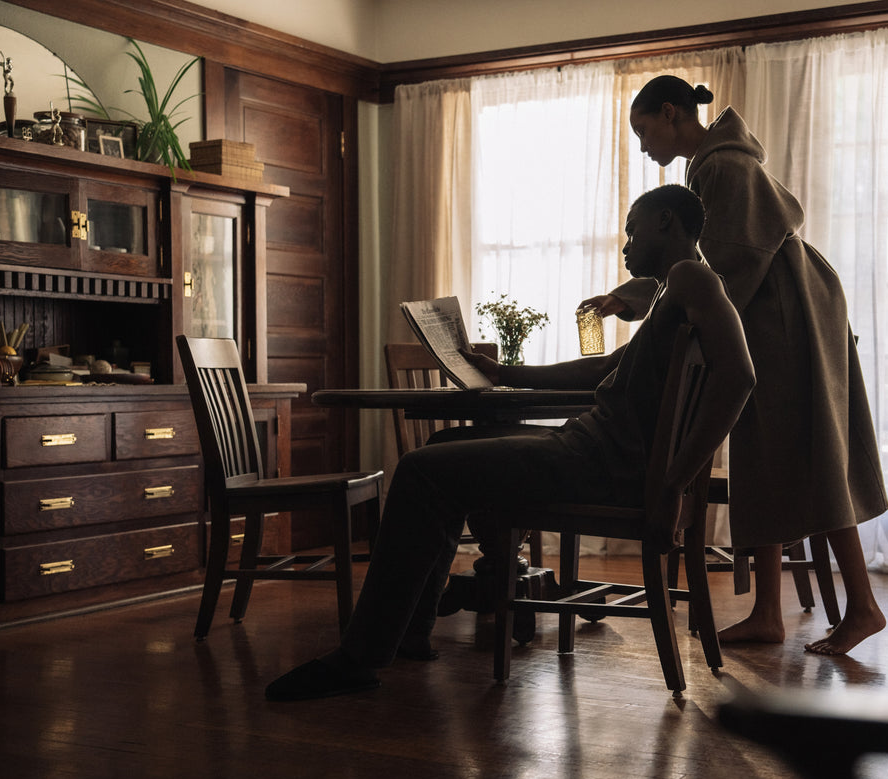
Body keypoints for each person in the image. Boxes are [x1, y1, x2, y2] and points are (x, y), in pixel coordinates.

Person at [265, 185, 755, 701]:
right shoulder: (669, 292)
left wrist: (674, 483)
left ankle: (361, 656)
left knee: (419, 469)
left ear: (665, 220)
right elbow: (604, 367)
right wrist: (505, 372)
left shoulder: (690, 276)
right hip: (592, 451)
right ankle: (406, 630)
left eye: (633, 229)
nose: (627, 245)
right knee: (441, 446)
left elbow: (740, 376)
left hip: (595, 461)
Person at [579, 76, 888, 655]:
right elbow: (704, 270)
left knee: (809, 453)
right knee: (764, 457)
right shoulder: (712, 164)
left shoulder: (721, 164)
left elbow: (721, 268)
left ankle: (863, 606)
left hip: (784, 312)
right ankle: (768, 612)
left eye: (645, 130)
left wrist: (654, 305)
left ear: (671, 114)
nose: (645, 147)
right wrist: (638, 294)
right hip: (773, 309)